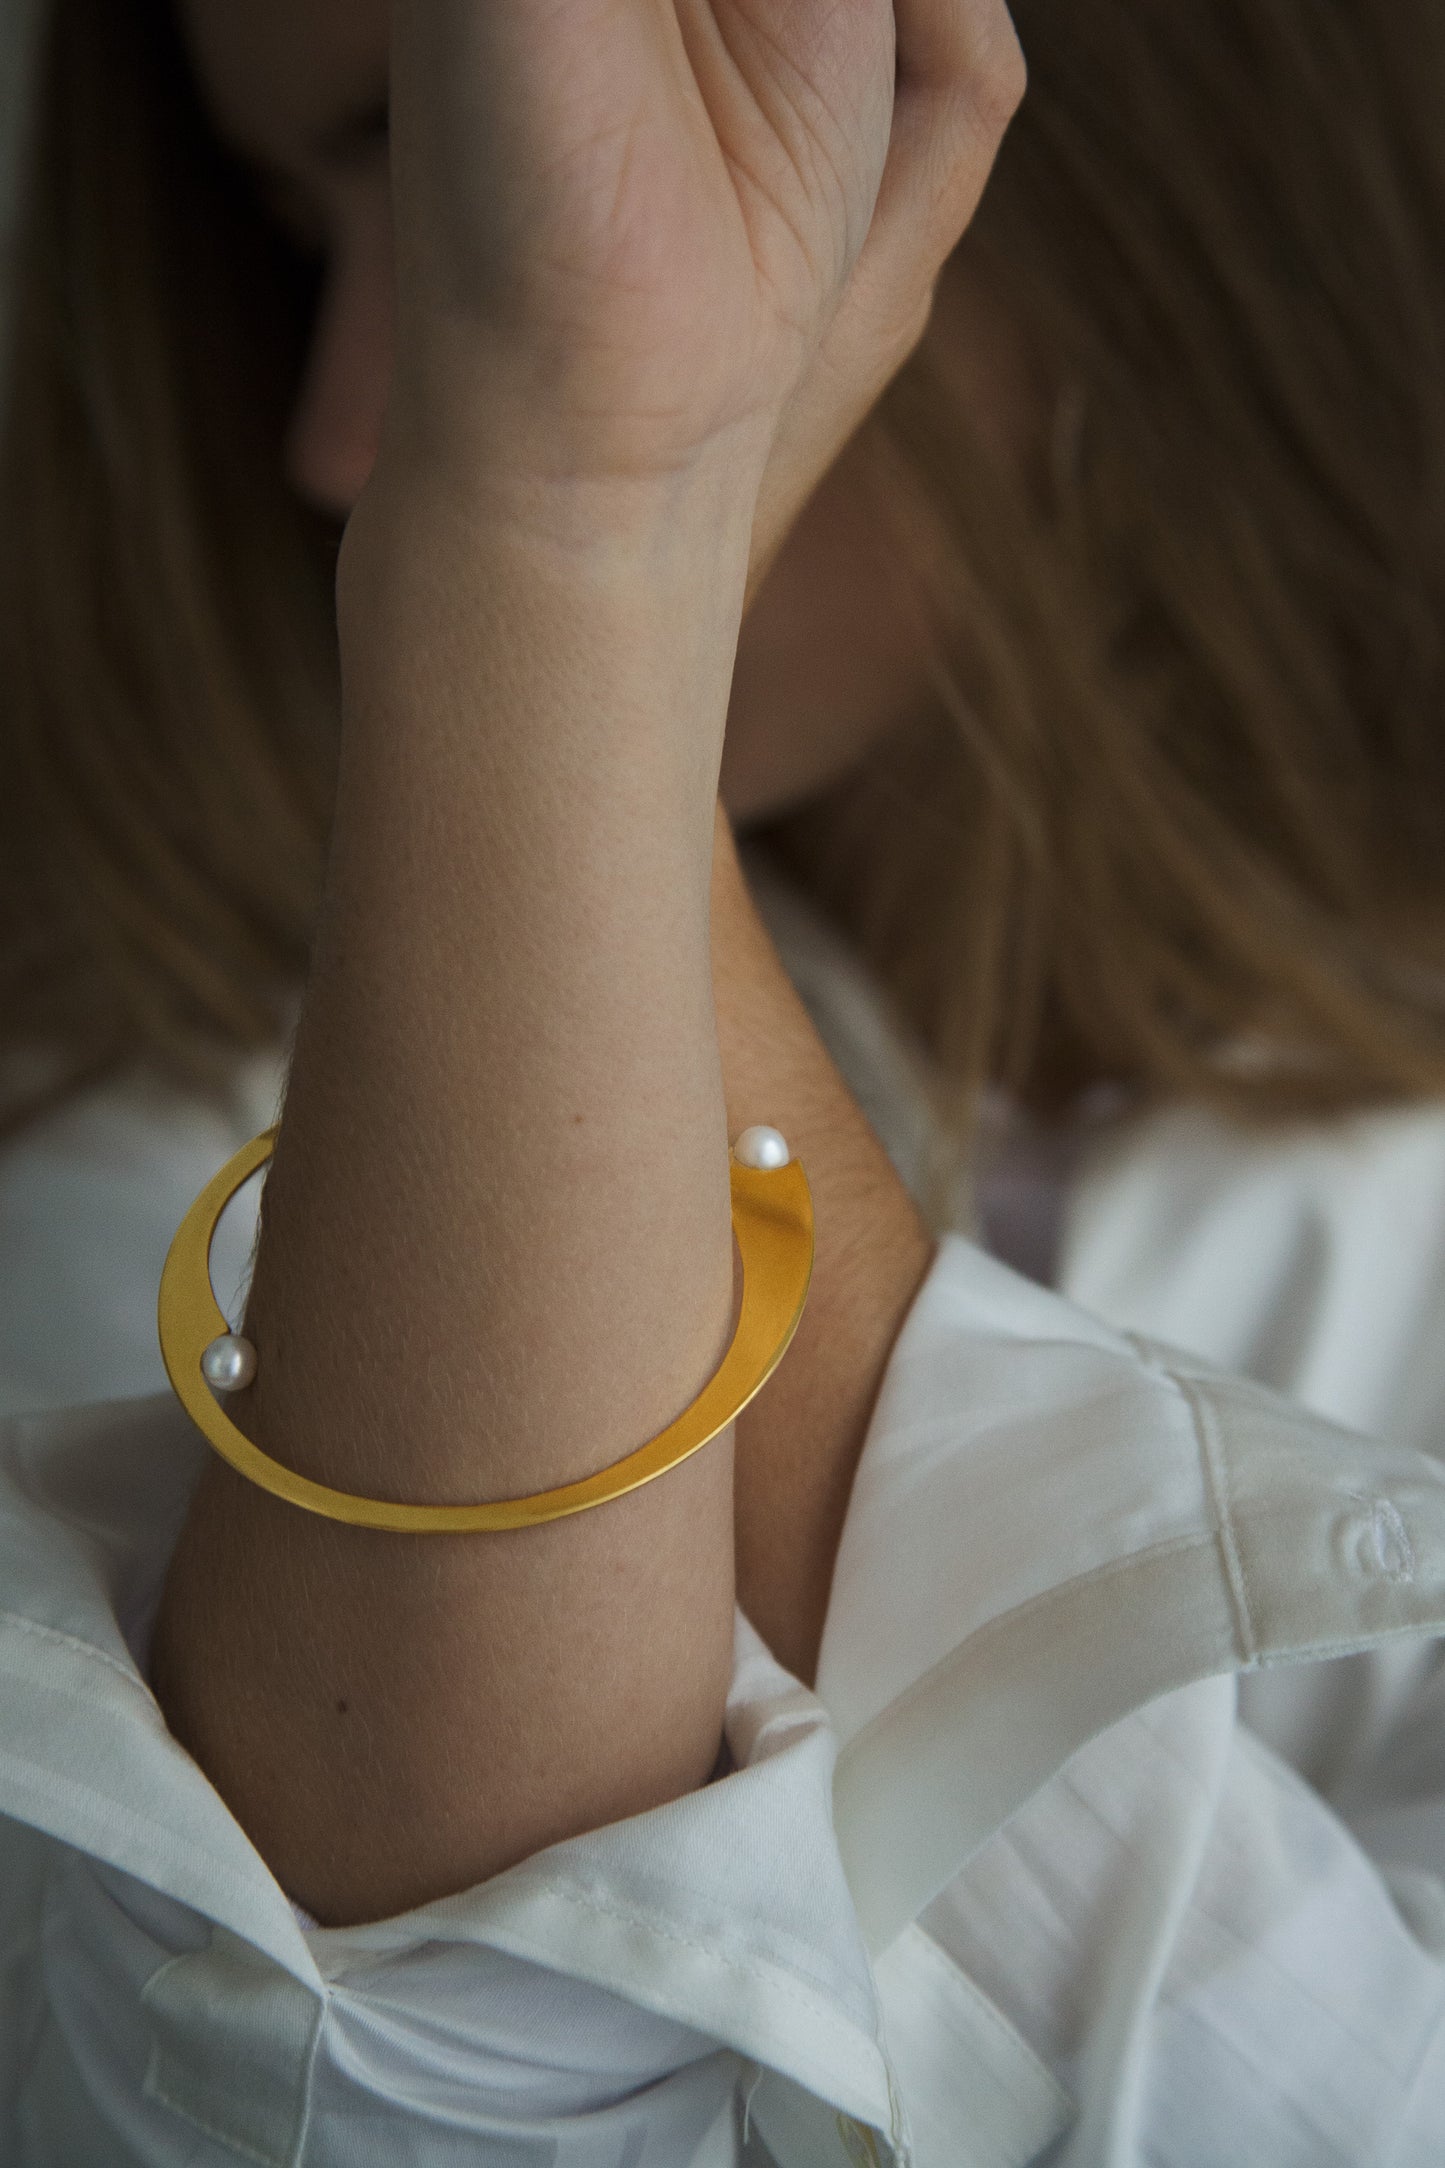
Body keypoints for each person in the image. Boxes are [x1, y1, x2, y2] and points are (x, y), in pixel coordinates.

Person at [3, 0, 1445, 2162]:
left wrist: (587, 592)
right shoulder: (167, 1129)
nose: (327, 434)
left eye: (431, 160)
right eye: (315, 218)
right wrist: (567, 573)